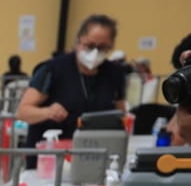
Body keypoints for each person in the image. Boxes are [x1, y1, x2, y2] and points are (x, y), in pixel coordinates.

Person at [16, 13, 127, 150]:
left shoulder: (114, 73)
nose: (95, 52)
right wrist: (47, 112)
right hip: (51, 155)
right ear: (79, 41)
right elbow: (23, 112)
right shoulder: (52, 69)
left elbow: (120, 114)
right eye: (90, 45)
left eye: (102, 47)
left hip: (96, 152)